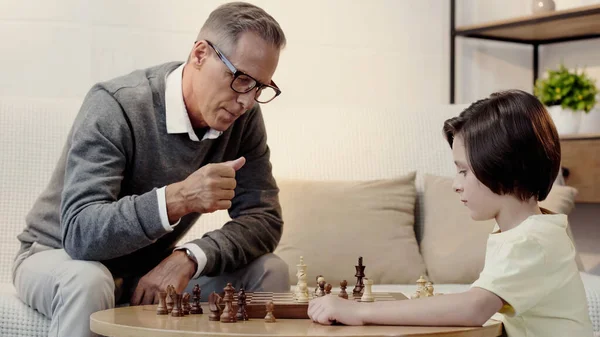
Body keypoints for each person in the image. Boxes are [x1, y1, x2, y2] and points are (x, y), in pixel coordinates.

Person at [12, 2, 290, 336]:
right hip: (58, 255)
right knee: (89, 280)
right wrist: (178, 198)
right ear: (200, 54)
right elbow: (81, 234)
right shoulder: (116, 104)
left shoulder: (243, 119)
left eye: (261, 87)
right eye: (242, 79)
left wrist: (189, 256)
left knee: (269, 270)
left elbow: (264, 218)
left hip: (148, 270)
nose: (247, 100)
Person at [308, 90, 594, 336]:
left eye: (463, 171)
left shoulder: (531, 241)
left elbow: (473, 308)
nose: (456, 185)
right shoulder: (529, 231)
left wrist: (357, 312)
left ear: (503, 167)